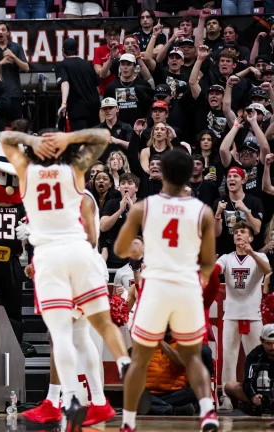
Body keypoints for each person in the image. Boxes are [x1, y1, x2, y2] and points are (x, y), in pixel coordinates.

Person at [0, 128, 131, 431]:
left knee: (60, 335)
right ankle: (94, 401)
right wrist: (67, 139)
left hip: (60, 258)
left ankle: (66, 400)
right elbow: (101, 136)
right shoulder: (75, 173)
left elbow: (5, 137)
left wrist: (34, 141)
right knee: (82, 336)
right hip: (80, 256)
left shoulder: (29, 175)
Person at [113, 149, 218, 432]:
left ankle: (128, 421)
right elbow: (208, 261)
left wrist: (136, 248)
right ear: (188, 175)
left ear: (161, 174)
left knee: (140, 358)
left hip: (157, 286)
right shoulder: (202, 211)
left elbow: (120, 249)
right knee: (193, 356)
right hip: (185, 285)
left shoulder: (143, 207)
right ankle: (207, 411)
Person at [216, 221, 271, 411]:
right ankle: (226, 397)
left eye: (243, 232)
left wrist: (252, 253)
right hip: (231, 314)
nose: (238, 235)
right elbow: (216, 270)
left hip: (253, 315)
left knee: (257, 358)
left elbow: (268, 270)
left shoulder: (260, 256)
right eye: (236, 232)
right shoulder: (226, 258)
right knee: (228, 358)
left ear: (251, 237)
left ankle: (259, 394)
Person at [224, 324, 274, 415]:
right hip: (258, 393)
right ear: (262, 341)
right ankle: (244, 407)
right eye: (268, 343)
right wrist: (253, 396)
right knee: (229, 386)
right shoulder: (254, 355)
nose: (272, 347)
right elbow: (247, 380)